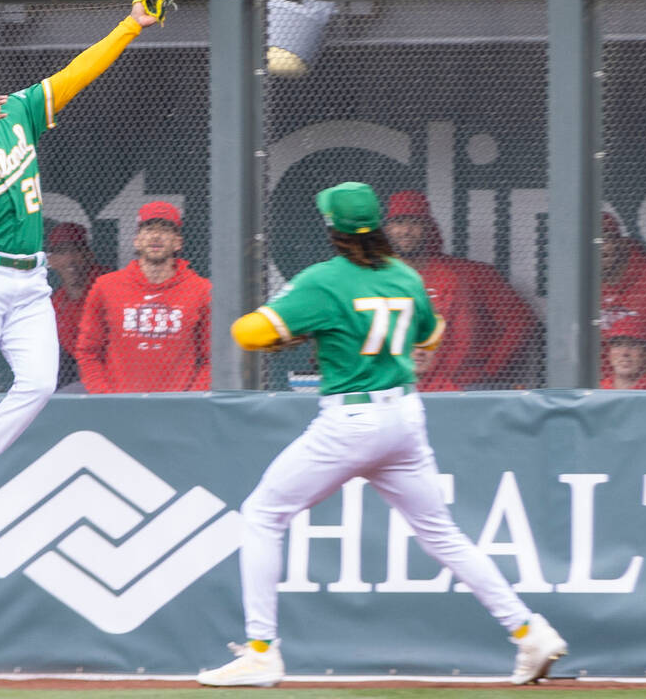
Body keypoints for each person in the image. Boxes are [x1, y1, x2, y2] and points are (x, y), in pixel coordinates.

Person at [197, 182, 567, 688]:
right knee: (444, 535)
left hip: (350, 420)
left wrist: (300, 329)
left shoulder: (324, 279)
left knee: (263, 514)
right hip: (404, 417)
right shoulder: (405, 276)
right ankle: (530, 631)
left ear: (333, 228)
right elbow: (431, 335)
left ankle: (262, 651)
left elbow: (249, 333)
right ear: (379, 225)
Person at [0, 0, 158, 537]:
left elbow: (77, 74)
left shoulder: (16, 111)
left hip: (29, 280)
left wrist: (130, 25)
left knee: (40, 383)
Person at [384, 190, 539, 390]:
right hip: (394, 387)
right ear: (387, 228)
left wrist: (487, 371)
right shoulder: (378, 277)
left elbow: (520, 322)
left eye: (414, 222)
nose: (405, 230)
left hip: (454, 387)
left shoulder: (464, 275)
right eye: (398, 221)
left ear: (428, 228)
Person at [75, 201, 211, 393]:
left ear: (178, 242)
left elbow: (211, 357)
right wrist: (104, 396)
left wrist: (190, 400)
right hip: (119, 406)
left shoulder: (201, 290)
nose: (156, 236)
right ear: (137, 239)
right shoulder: (105, 286)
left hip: (179, 408)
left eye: (164, 230)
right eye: (148, 229)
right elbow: (88, 351)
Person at [600, 211, 646, 388]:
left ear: (620, 243)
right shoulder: (581, 286)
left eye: (606, 239)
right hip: (604, 385)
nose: (599, 249)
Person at [46, 222, 105, 390]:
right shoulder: (56, 301)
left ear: (89, 254)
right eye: (62, 252)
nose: (70, 259)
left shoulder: (106, 285)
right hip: (75, 372)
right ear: (51, 260)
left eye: (76, 250)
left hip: (109, 371)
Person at [599, 316, 646, 390]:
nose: (624, 353)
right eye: (618, 344)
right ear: (609, 352)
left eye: (633, 344)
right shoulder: (599, 389)